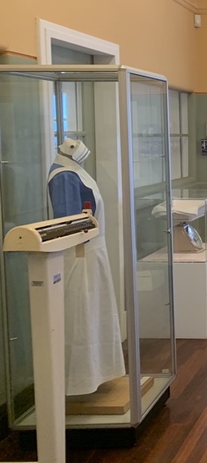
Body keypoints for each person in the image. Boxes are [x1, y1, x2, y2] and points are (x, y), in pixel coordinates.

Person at [47, 138, 126, 395]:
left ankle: (98, 372)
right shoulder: (63, 177)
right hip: (78, 256)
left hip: (93, 251)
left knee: (96, 314)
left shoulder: (75, 171)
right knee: (80, 316)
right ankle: (79, 379)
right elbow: (68, 223)